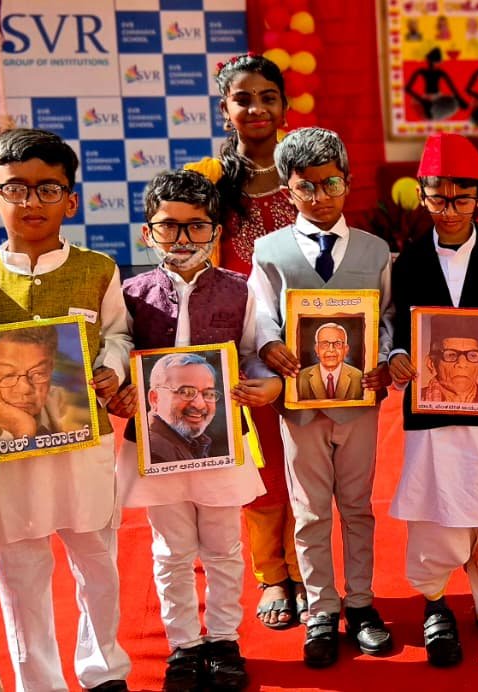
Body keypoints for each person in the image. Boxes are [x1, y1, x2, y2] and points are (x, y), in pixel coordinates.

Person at [0, 128, 132, 691]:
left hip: (86, 442)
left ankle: (103, 668)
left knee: (98, 562)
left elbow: (118, 335)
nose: (31, 202)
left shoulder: (99, 268)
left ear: (71, 199)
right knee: (19, 571)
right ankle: (38, 681)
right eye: (16, 188)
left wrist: (114, 367)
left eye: (47, 188)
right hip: (7, 448)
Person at [113, 168, 281, 691]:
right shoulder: (130, 292)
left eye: (197, 226)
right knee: (171, 549)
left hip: (223, 442)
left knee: (225, 546)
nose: (183, 238)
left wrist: (266, 383)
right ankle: (184, 643)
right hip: (156, 448)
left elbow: (255, 354)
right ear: (147, 232)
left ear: (217, 232)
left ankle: (226, 639)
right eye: (169, 226)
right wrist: (119, 389)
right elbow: (117, 351)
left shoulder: (240, 289)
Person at [248, 127, 394, 668]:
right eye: (306, 186)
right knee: (309, 511)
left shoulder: (377, 250)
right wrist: (268, 344)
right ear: (289, 189)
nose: (320, 194)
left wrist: (383, 357)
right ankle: (321, 609)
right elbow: (260, 314)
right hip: (299, 405)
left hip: (358, 404)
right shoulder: (270, 251)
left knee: (357, 506)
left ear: (348, 182)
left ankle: (360, 603)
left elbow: (388, 318)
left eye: (330, 182)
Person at [388, 132, 478, 667]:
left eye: (461, 198)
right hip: (428, 413)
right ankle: (434, 603)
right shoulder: (405, 264)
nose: (448, 210)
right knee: (433, 506)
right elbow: (395, 329)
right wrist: (400, 355)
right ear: (422, 195)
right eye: (437, 197)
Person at [209, 53, 305, 631]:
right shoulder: (211, 181)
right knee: (264, 461)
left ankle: (312, 571)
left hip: (315, 336)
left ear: (284, 106)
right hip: (243, 343)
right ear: (227, 111)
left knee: (312, 461)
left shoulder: (307, 171)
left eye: (268, 96)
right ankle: (273, 574)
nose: (257, 108)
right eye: (244, 99)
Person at [0, 325, 75, 450]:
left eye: (38, 373)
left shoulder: (65, 403)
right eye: (8, 374)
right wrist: (22, 430)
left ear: (51, 368)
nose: (25, 388)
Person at [145, 354, 226, 463]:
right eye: (186, 392)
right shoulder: (154, 452)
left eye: (208, 394)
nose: (200, 405)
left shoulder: (191, 444)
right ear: (155, 399)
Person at [418, 314, 478, 405]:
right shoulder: (415, 399)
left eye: (472, 355)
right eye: (451, 355)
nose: (462, 364)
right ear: (431, 363)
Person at [296, 322, 365, 401]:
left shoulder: (359, 377)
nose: (331, 349)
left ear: (346, 350)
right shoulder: (301, 378)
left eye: (337, 344)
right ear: (316, 349)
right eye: (324, 344)